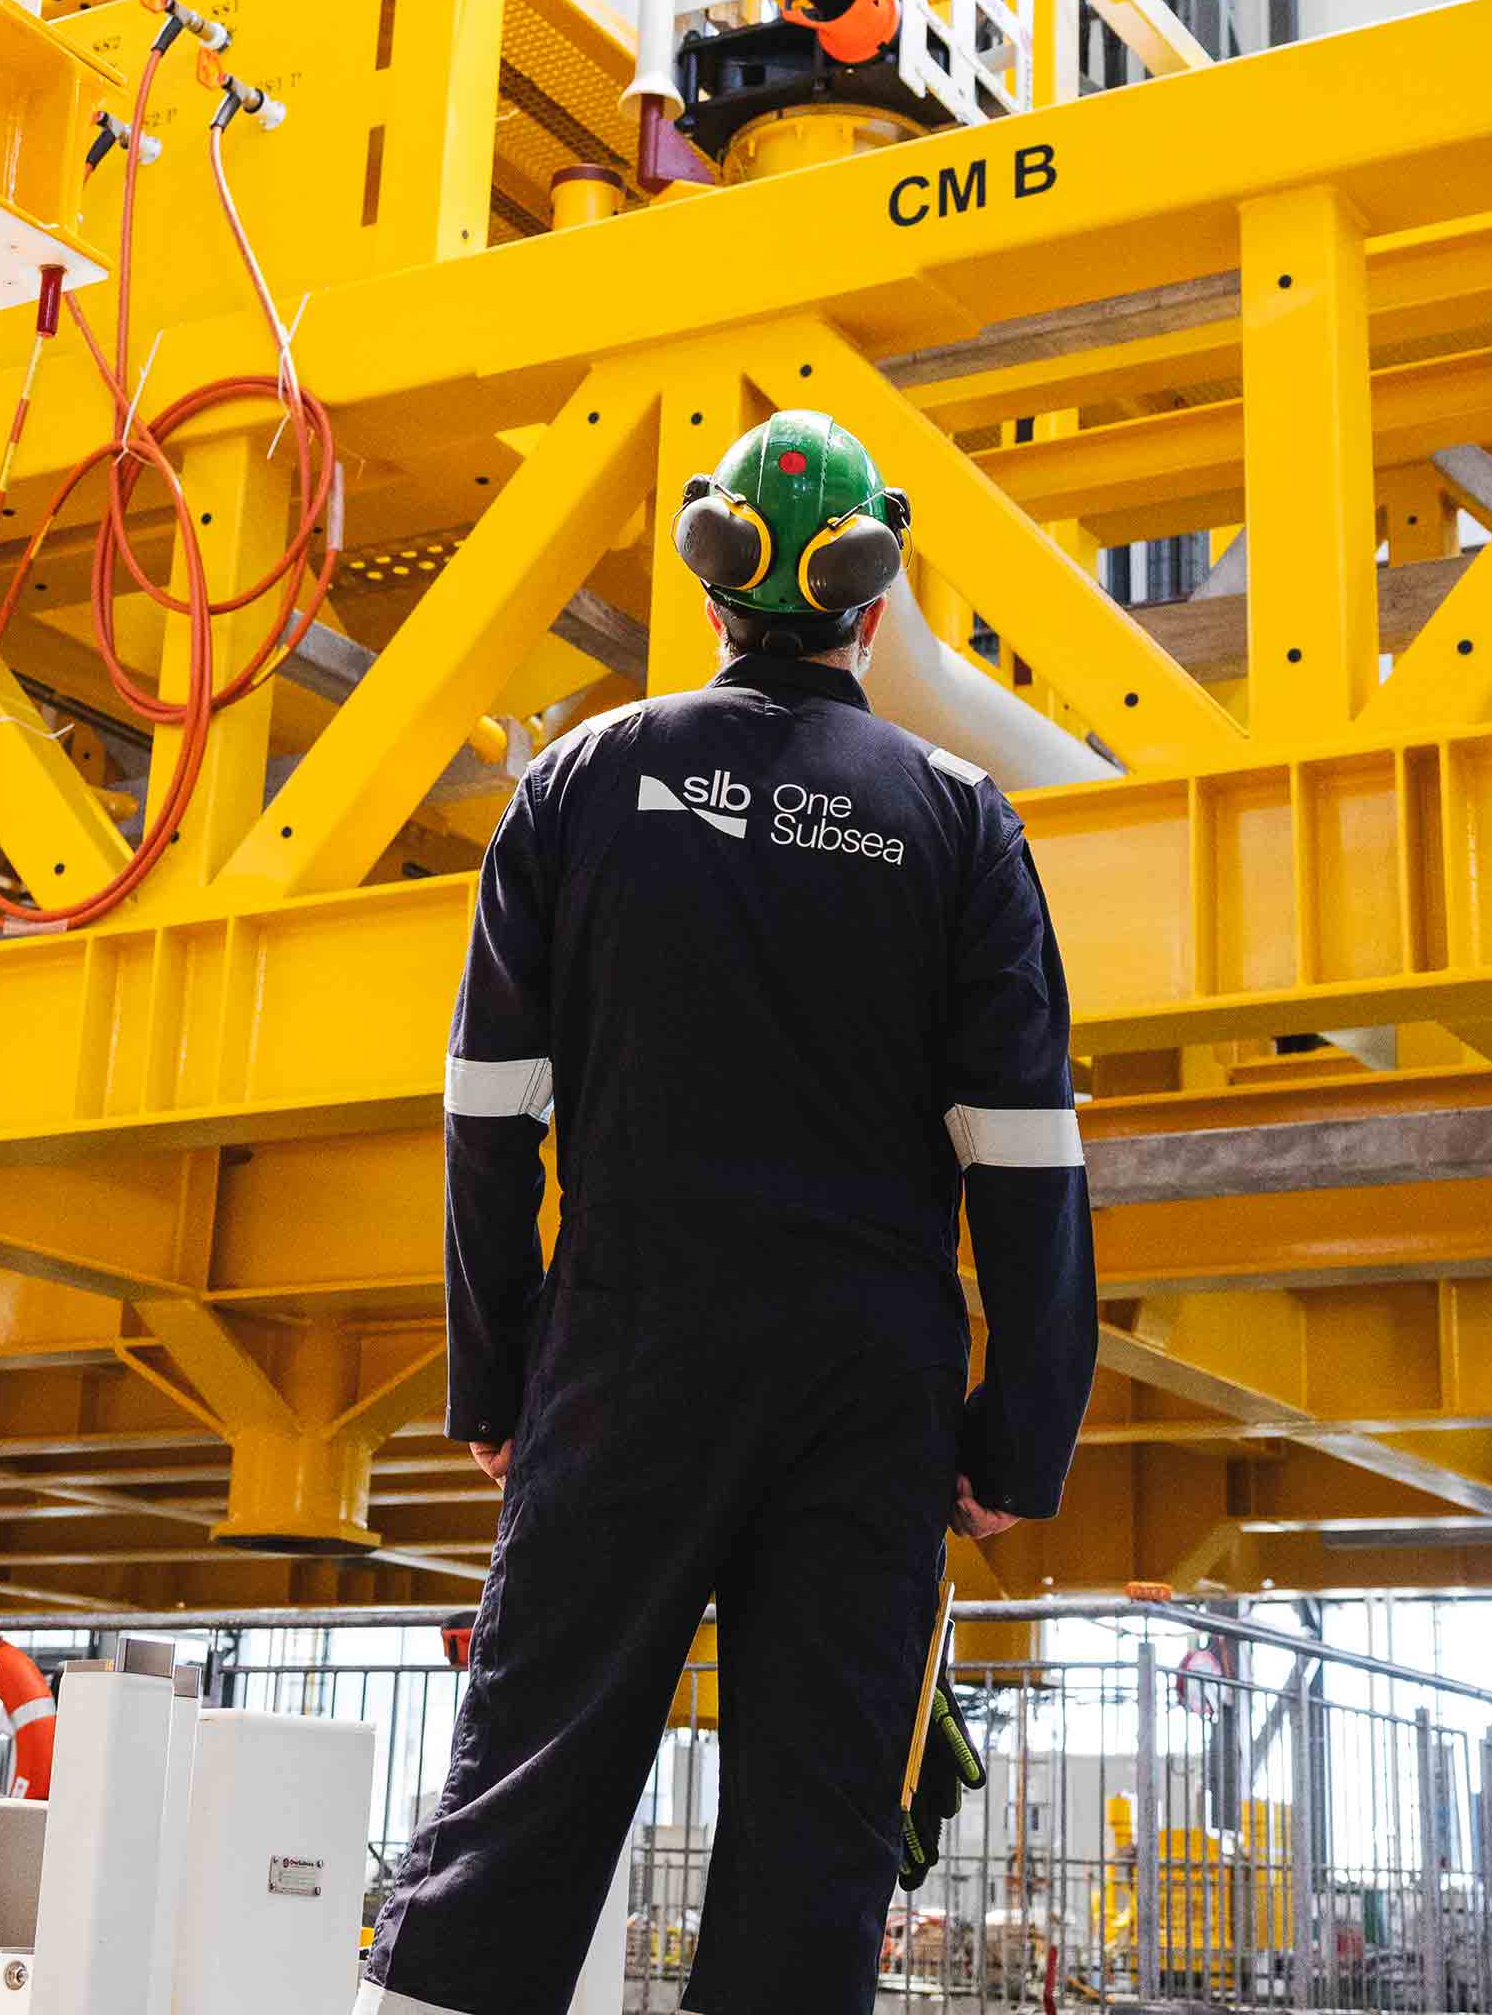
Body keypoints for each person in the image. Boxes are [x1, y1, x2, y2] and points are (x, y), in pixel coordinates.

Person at [357, 412, 1098, 2015]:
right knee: (815, 1835)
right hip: (865, 1386)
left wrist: (499, 1383)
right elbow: (1030, 1158)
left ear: (713, 596)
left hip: (628, 1352)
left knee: (525, 1796)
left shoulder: (577, 785)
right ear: (872, 606)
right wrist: (1016, 1436)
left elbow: (490, 1122)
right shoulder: (962, 819)